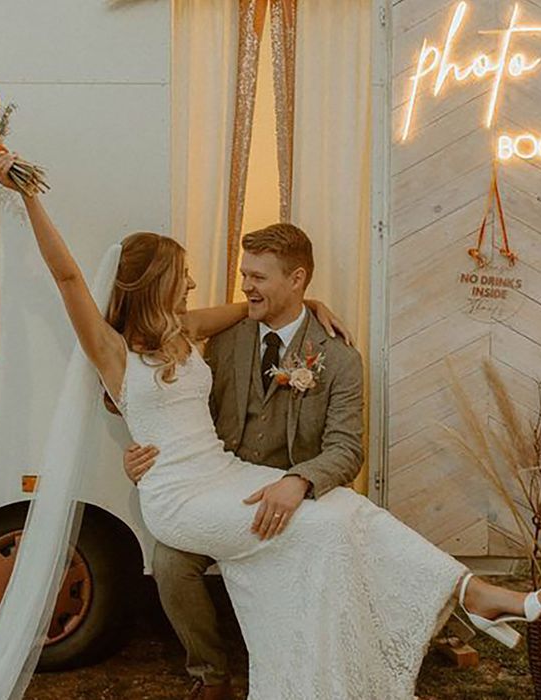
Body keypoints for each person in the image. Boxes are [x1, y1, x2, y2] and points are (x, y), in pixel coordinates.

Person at [0, 148, 541, 700]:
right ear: (157, 280)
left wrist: (318, 304)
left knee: (350, 509)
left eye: (252, 275)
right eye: (183, 275)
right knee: (323, 530)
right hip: (181, 497)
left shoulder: (185, 330)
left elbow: (253, 310)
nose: (194, 283)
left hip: (225, 472)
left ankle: (472, 592)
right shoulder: (112, 352)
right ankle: (290, 671)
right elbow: (67, 280)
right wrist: (29, 194)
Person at [122, 221, 365, 700]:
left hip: (291, 496)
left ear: (296, 280)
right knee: (170, 561)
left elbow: (346, 449)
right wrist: (144, 453)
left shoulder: (338, 358)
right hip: (219, 490)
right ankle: (211, 674)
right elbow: (180, 409)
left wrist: (299, 482)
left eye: (257, 277)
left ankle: (298, 664)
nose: (245, 287)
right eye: (243, 275)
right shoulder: (224, 340)